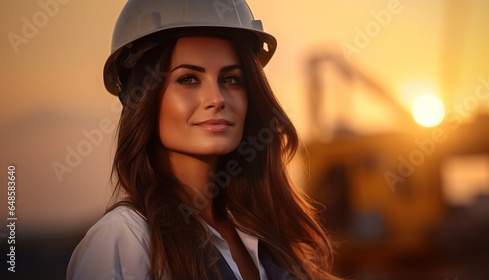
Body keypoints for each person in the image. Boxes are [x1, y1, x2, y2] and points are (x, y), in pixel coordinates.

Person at [67, 0, 340, 279]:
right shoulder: (125, 241)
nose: (217, 99)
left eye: (231, 79)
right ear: (141, 98)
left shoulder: (269, 236)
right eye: (188, 79)